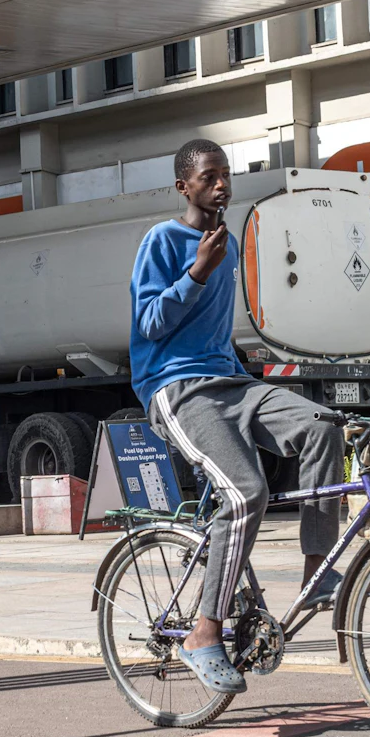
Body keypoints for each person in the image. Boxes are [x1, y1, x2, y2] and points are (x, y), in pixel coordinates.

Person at [129, 138, 344, 695]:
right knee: (246, 493)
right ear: (185, 187)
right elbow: (149, 323)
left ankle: (317, 573)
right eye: (209, 177)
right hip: (176, 392)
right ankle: (204, 632)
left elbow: (211, 331)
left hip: (232, 383)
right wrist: (198, 270)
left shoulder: (226, 244)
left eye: (226, 175)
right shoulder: (164, 240)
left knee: (325, 427)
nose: (222, 185)